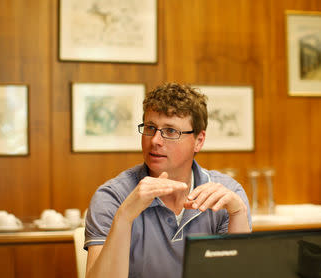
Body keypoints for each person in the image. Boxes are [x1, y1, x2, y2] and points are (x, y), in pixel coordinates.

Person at [84, 83, 252, 278]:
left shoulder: (227, 194)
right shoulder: (112, 197)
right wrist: (125, 216)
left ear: (199, 140)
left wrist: (238, 212)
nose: (155, 140)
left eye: (170, 131)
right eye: (150, 128)